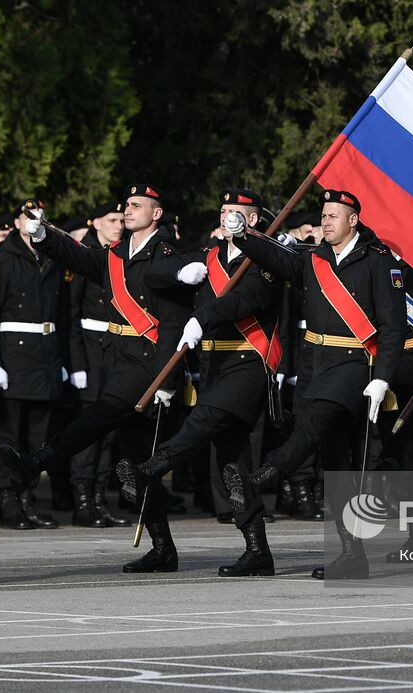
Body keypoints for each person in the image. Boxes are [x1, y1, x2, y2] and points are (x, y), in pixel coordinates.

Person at [0, 184, 193, 573]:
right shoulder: (117, 254)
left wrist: (167, 379)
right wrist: (44, 234)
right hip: (117, 359)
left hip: (148, 362)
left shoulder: (167, 254)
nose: (128, 211)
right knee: (137, 460)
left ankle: (38, 461)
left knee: (98, 416)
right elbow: (81, 258)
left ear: (156, 214)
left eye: (137, 206)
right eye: (126, 206)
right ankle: (163, 547)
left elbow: (172, 323)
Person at [220, 188, 405, 580]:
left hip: (355, 363)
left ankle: (262, 478)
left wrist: (383, 378)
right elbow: (277, 258)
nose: (325, 221)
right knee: (336, 462)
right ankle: (352, 555)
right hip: (315, 363)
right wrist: (242, 236)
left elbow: (393, 327)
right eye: (323, 215)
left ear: (353, 220)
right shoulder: (315, 258)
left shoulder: (377, 261)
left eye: (333, 216)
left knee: (313, 423)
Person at [118, 188, 287, 576]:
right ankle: (257, 549)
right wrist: (179, 271)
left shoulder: (265, 256)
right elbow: (152, 273)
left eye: (237, 211)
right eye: (224, 209)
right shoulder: (209, 254)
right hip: (213, 362)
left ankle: (151, 468)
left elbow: (249, 300)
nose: (227, 216)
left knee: (205, 420)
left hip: (247, 360)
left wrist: (203, 316)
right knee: (233, 462)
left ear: (254, 220)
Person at [0, 199, 66, 529]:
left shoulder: (51, 254)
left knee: (38, 435)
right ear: (17, 222)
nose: (36, 222)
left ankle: (26, 497)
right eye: (30, 217)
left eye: (42, 218)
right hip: (14, 354)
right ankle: (7, 500)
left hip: (45, 353)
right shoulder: (4, 259)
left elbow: (63, 312)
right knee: (9, 434)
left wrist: (64, 360)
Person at [64, 203, 130, 528]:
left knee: (108, 432)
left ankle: (101, 497)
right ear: (96, 223)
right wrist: (76, 363)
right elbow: (71, 313)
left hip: (114, 351)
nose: (119, 225)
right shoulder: (84, 254)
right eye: (112, 220)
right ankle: (83, 501)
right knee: (88, 432)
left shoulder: (119, 254)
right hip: (89, 351)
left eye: (121, 220)